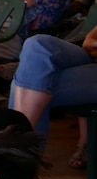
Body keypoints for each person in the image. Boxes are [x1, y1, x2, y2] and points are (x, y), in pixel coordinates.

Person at [10, 26, 97, 169]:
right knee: (37, 45)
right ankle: (18, 152)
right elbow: (89, 42)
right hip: (89, 59)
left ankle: (16, 159)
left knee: (31, 80)